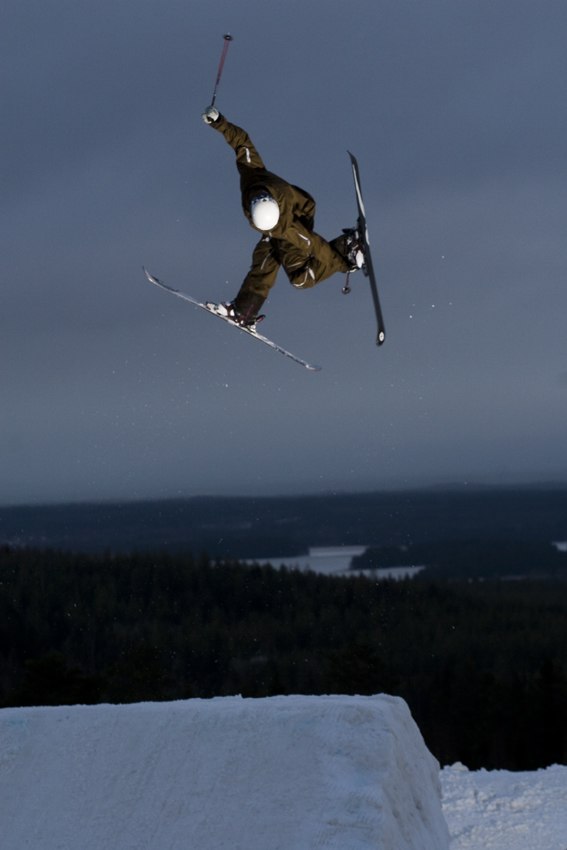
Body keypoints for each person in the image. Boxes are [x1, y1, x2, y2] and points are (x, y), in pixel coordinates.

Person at [201, 106, 364, 329]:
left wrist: (342, 264)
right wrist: (218, 121)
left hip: (299, 214)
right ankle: (244, 311)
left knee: (301, 279)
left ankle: (348, 246)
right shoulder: (253, 176)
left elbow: (313, 244)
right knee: (264, 258)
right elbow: (242, 142)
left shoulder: (287, 227)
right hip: (280, 218)